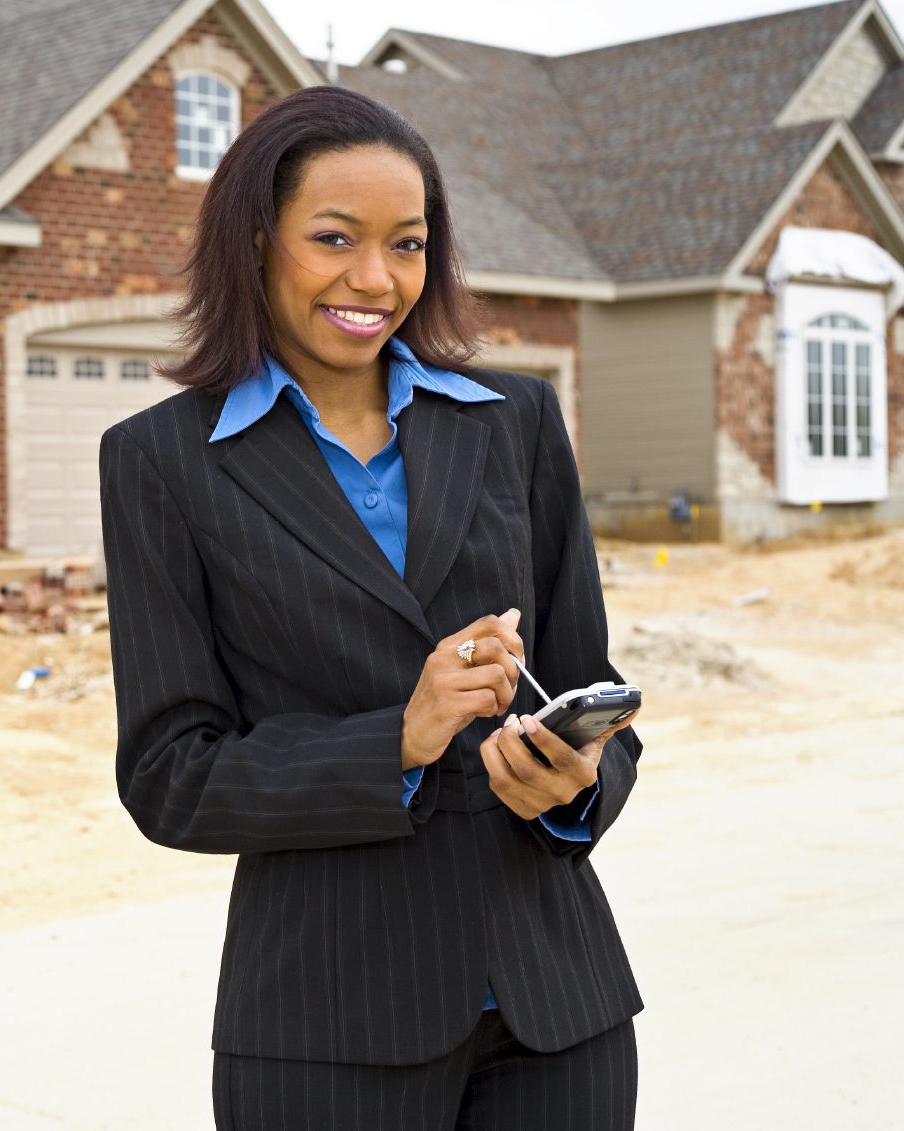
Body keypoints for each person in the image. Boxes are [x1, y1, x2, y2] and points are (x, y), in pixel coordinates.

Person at [98, 85, 644, 1129]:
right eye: (334, 238)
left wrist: (574, 783)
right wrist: (401, 735)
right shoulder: (161, 462)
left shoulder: (515, 422)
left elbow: (595, 698)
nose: (374, 278)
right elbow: (170, 777)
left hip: (557, 1009)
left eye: (407, 243)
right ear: (257, 242)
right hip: (326, 1023)